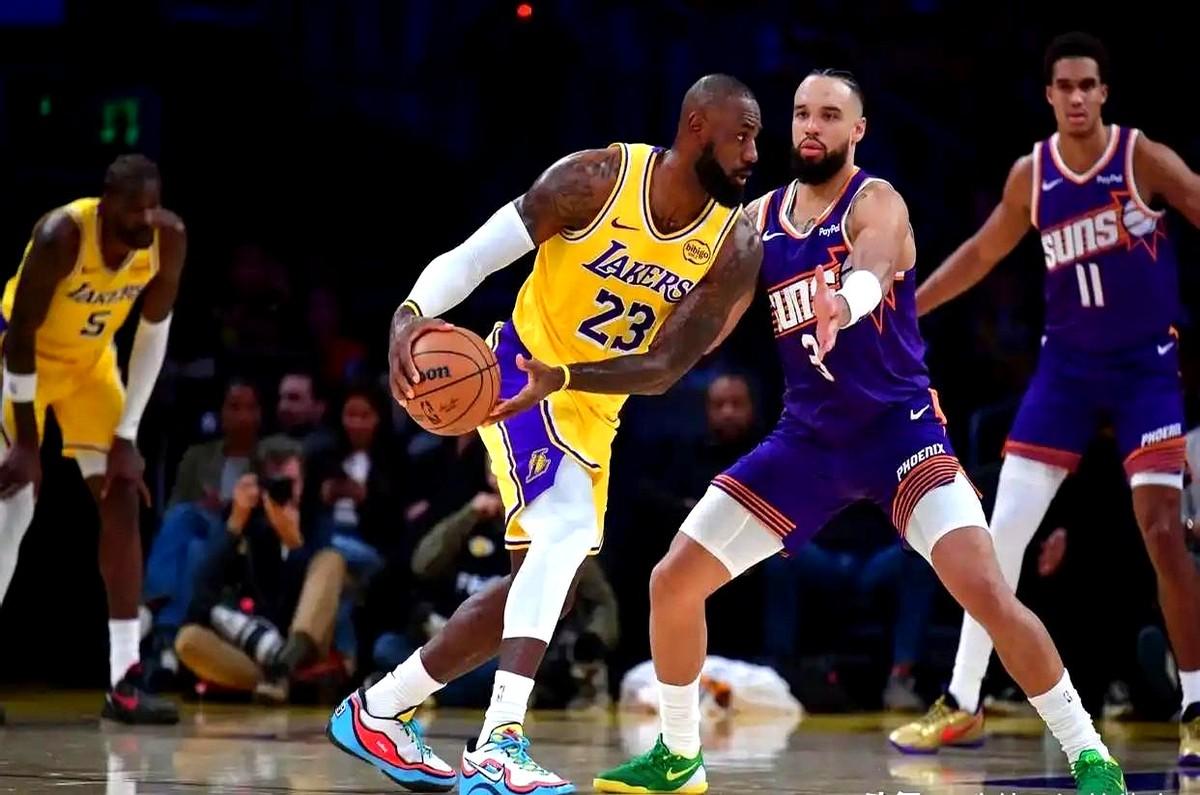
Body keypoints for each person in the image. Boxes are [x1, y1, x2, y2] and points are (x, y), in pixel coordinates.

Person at [499, 70, 1121, 793]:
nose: (812, 127)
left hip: (900, 435)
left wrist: (846, 305)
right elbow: (701, 333)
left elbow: (874, 263)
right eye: (801, 114)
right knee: (672, 581)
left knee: (986, 591)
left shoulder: (877, 200)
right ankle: (678, 754)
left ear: (858, 130)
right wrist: (611, 354)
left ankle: (1088, 751)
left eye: (829, 115)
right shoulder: (757, 221)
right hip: (808, 443)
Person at [326, 73, 763, 794]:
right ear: (696, 127)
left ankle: (378, 711)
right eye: (741, 136)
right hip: (516, 376)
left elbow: (662, 369)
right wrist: (410, 313)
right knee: (564, 531)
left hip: (589, 408)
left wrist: (567, 379)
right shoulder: (596, 181)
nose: (752, 154)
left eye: (756, 140)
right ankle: (500, 743)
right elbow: (476, 255)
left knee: (538, 592)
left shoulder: (733, 242)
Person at [891, 31, 1200, 766]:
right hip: (1066, 370)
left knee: (1163, 530)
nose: (1077, 97)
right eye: (1065, 86)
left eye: (1088, 84)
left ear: (1104, 92)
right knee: (999, 533)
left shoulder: (1141, 157)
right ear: (1049, 95)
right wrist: (909, 306)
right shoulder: (1033, 175)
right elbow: (981, 252)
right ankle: (963, 700)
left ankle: (1195, 704)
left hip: (1145, 368)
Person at [0, 154, 185, 724]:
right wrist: (26, 444)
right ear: (106, 205)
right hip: (18, 361)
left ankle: (124, 679)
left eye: (152, 209)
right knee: (15, 504)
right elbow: (20, 335)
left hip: (89, 368)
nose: (145, 222)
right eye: (134, 212)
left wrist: (127, 435)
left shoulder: (167, 239)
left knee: (122, 493)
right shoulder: (60, 236)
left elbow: (153, 333)